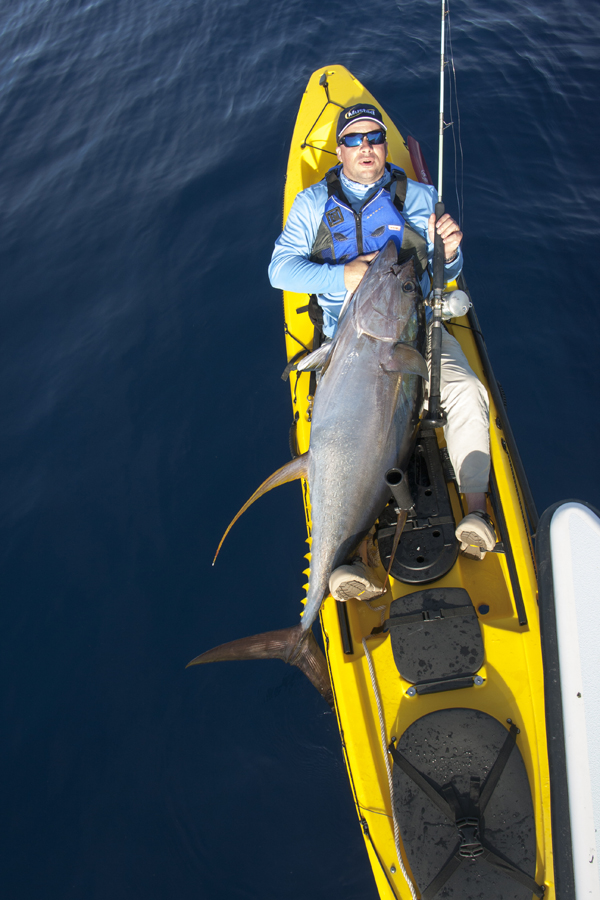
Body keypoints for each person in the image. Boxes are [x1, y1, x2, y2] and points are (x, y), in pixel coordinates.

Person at [269, 103, 496, 601]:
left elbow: (447, 274)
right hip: (348, 342)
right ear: (340, 151)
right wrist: (343, 275)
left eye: (374, 137)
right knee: (346, 442)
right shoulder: (312, 205)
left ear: (384, 146)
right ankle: (350, 559)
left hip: (413, 333)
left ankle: (476, 512)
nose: (367, 147)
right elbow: (280, 271)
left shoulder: (416, 196)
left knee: (466, 391)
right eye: (354, 140)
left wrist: (452, 251)